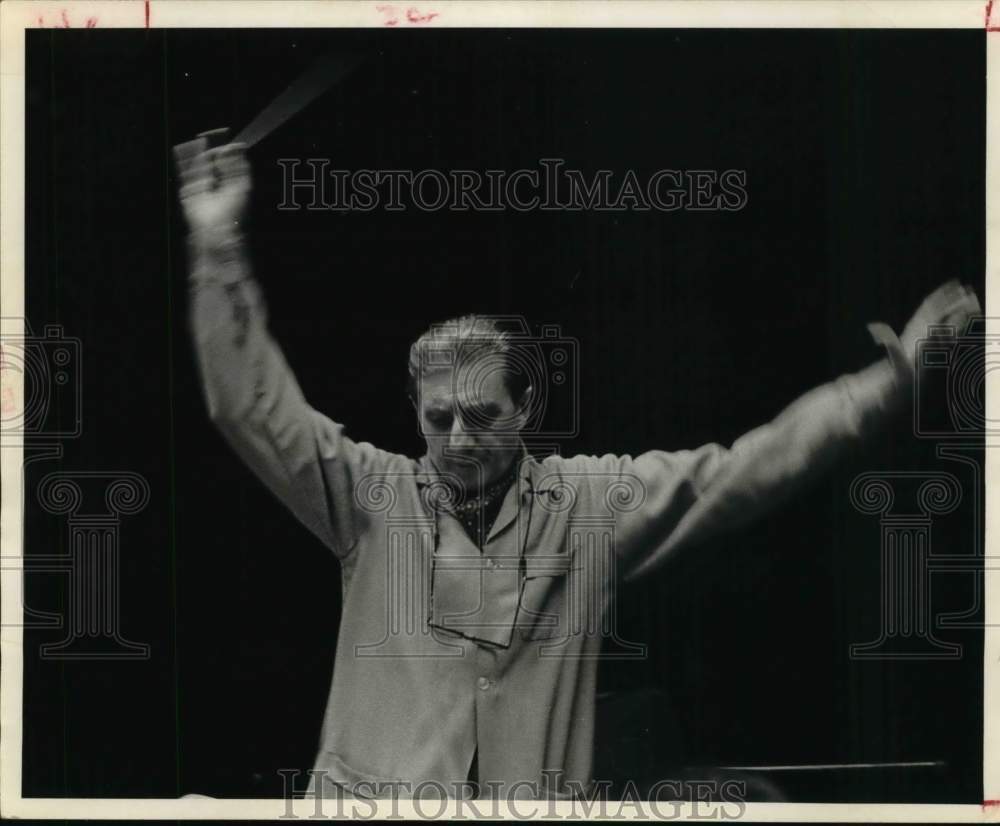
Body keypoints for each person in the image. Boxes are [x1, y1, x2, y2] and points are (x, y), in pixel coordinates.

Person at [172, 129, 981, 802]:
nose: (458, 440)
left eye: (483, 417)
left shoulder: (589, 505)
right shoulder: (372, 496)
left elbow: (751, 468)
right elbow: (249, 405)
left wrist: (896, 379)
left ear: (525, 412)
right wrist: (217, 243)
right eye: (438, 419)